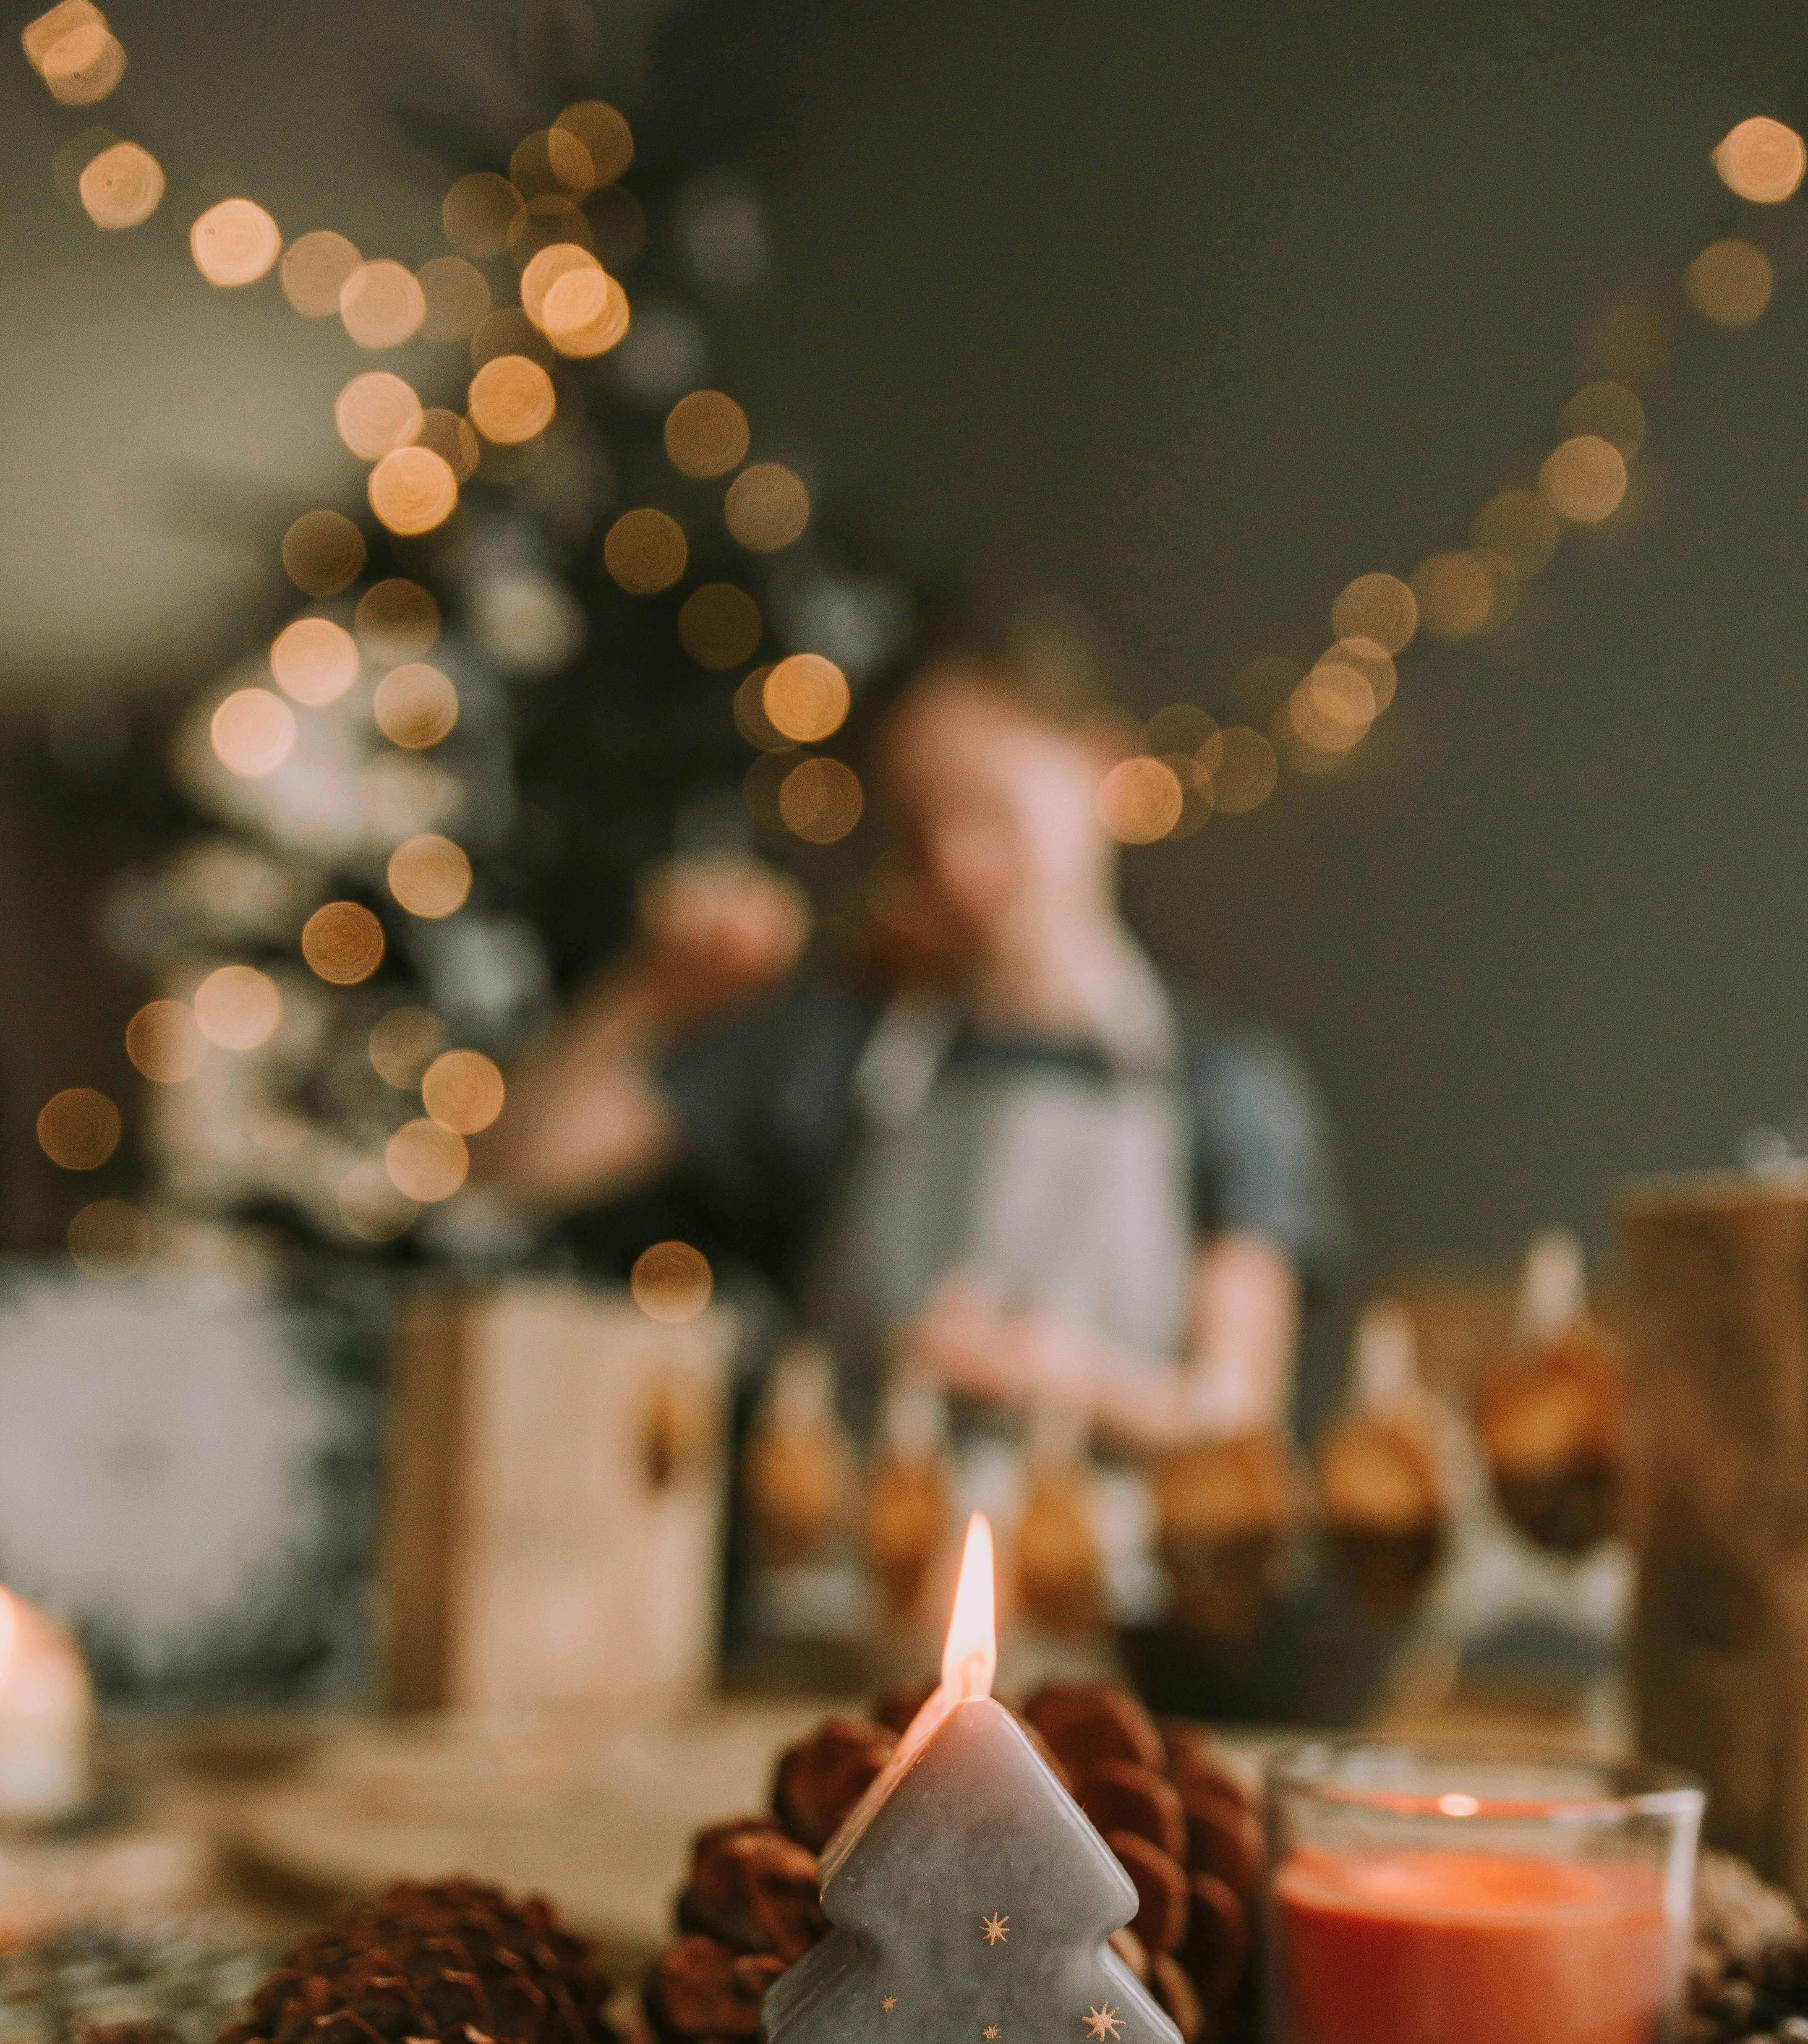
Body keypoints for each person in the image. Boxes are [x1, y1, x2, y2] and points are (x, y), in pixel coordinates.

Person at [475, 607, 1341, 1453]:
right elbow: (507, 1169)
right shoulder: (830, 1053)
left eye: (985, 808)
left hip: (1110, 1591)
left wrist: (1069, 1379)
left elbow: (1236, 1428)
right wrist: (651, 996)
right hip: (849, 1587)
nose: (956, 864)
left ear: (1097, 769)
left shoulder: (1227, 1082)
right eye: (918, 831)